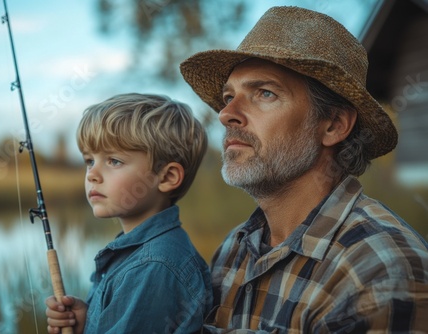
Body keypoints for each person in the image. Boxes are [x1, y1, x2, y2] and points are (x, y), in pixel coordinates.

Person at [179, 6, 428, 333]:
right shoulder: (235, 247)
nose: (226, 114)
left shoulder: (380, 270)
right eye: (229, 96)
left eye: (264, 93)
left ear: (334, 125)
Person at [45, 93, 212, 333]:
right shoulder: (135, 254)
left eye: (113, 161)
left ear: (167, 177)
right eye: (89, 160)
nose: (92, 174)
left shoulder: (154, 267)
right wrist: (88, 321)